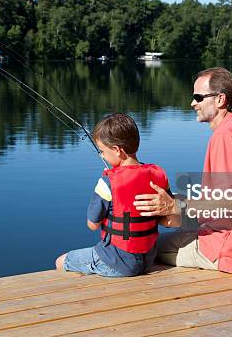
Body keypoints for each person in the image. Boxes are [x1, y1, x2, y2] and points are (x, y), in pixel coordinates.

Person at [134, 67, 232, 275]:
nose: (193, 103)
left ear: (220, 100)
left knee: (144, 249)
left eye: (198, 97)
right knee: (182, 227)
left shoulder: (225, 137)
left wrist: (178, 205)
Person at [55, 113, 172, 277]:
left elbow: (92, 225)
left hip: (117, 262)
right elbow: (167, 219)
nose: (101, 155)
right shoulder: (159, 174)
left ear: (117, 150)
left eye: (102, 151)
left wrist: (107, 184)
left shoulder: (107, 182)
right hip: (147, 260)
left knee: (61, 261)